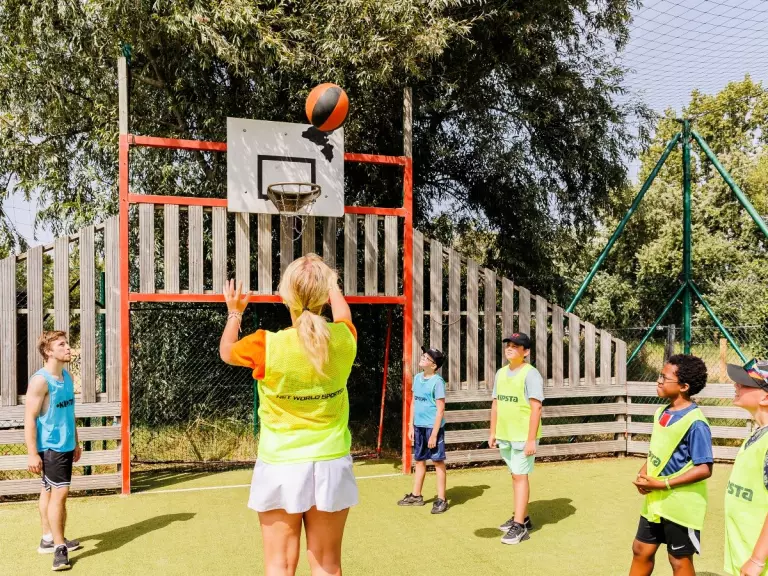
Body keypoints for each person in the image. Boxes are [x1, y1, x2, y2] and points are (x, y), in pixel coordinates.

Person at [219, 254, 357, 576]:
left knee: (279, 566)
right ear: (326, 294)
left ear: (284, 296)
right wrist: (331, 285)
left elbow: (226, 351)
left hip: (280, 464)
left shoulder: (265, 345)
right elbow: (343, 315)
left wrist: (235, 312)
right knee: (328, 566)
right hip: (331, 462)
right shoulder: (344, 340)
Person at [629, 354, 713, 576]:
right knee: (640, 549)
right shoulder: (661, 412)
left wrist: (662, 484)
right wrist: (644, 472)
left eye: (664, 378)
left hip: (681, 505)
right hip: (655, 501)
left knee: (678, 560)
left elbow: (704, 468)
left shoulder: (696, 423)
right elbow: (659, 450)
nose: (658, 381)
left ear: (684, 387)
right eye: (660, 375)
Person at [24, 331, 82, 572]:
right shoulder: (41, 381)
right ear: (48, 351)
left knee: (48, 490)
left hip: (66, 444)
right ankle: (59, 548)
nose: (68, 348)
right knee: (60, 493)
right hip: (51, 447)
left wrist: (76, 441)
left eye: (67, 343)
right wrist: (32, 453)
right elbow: (29, 417)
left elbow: (69, 413)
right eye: (61, 344)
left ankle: (48, 538)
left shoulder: (67, 376)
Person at [488, 332, 544, 545]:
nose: (510, 349)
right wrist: (492, 432)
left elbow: (536, 408)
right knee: (515, 476)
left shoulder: (531, 374)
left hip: (523, 436)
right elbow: (496, 404)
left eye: (515, 346)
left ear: (526, 352)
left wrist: (531, 440)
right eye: (508, 345)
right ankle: (524, 518)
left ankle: (519, 527)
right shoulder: (501, 373)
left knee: (520, 476)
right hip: (505, 434)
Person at [723, 360, 768, 576]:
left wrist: (757, 560)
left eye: (744, 383)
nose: (736, 385)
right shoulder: (758, 434)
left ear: (766, 398)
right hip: (743, 555)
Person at [397, 346, 448, 514]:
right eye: (423, 356)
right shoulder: (417, 378)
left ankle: (441, 499)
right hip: (418, 427)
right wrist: (411, 425)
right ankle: (416, 495)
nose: (423, 358)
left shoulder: (438, 382)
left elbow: (440, 410)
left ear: (434, 365)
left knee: (438, 462)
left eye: (427, 358)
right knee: (419, 460)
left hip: (433, 429)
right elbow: (414, 402)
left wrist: (434, 434)